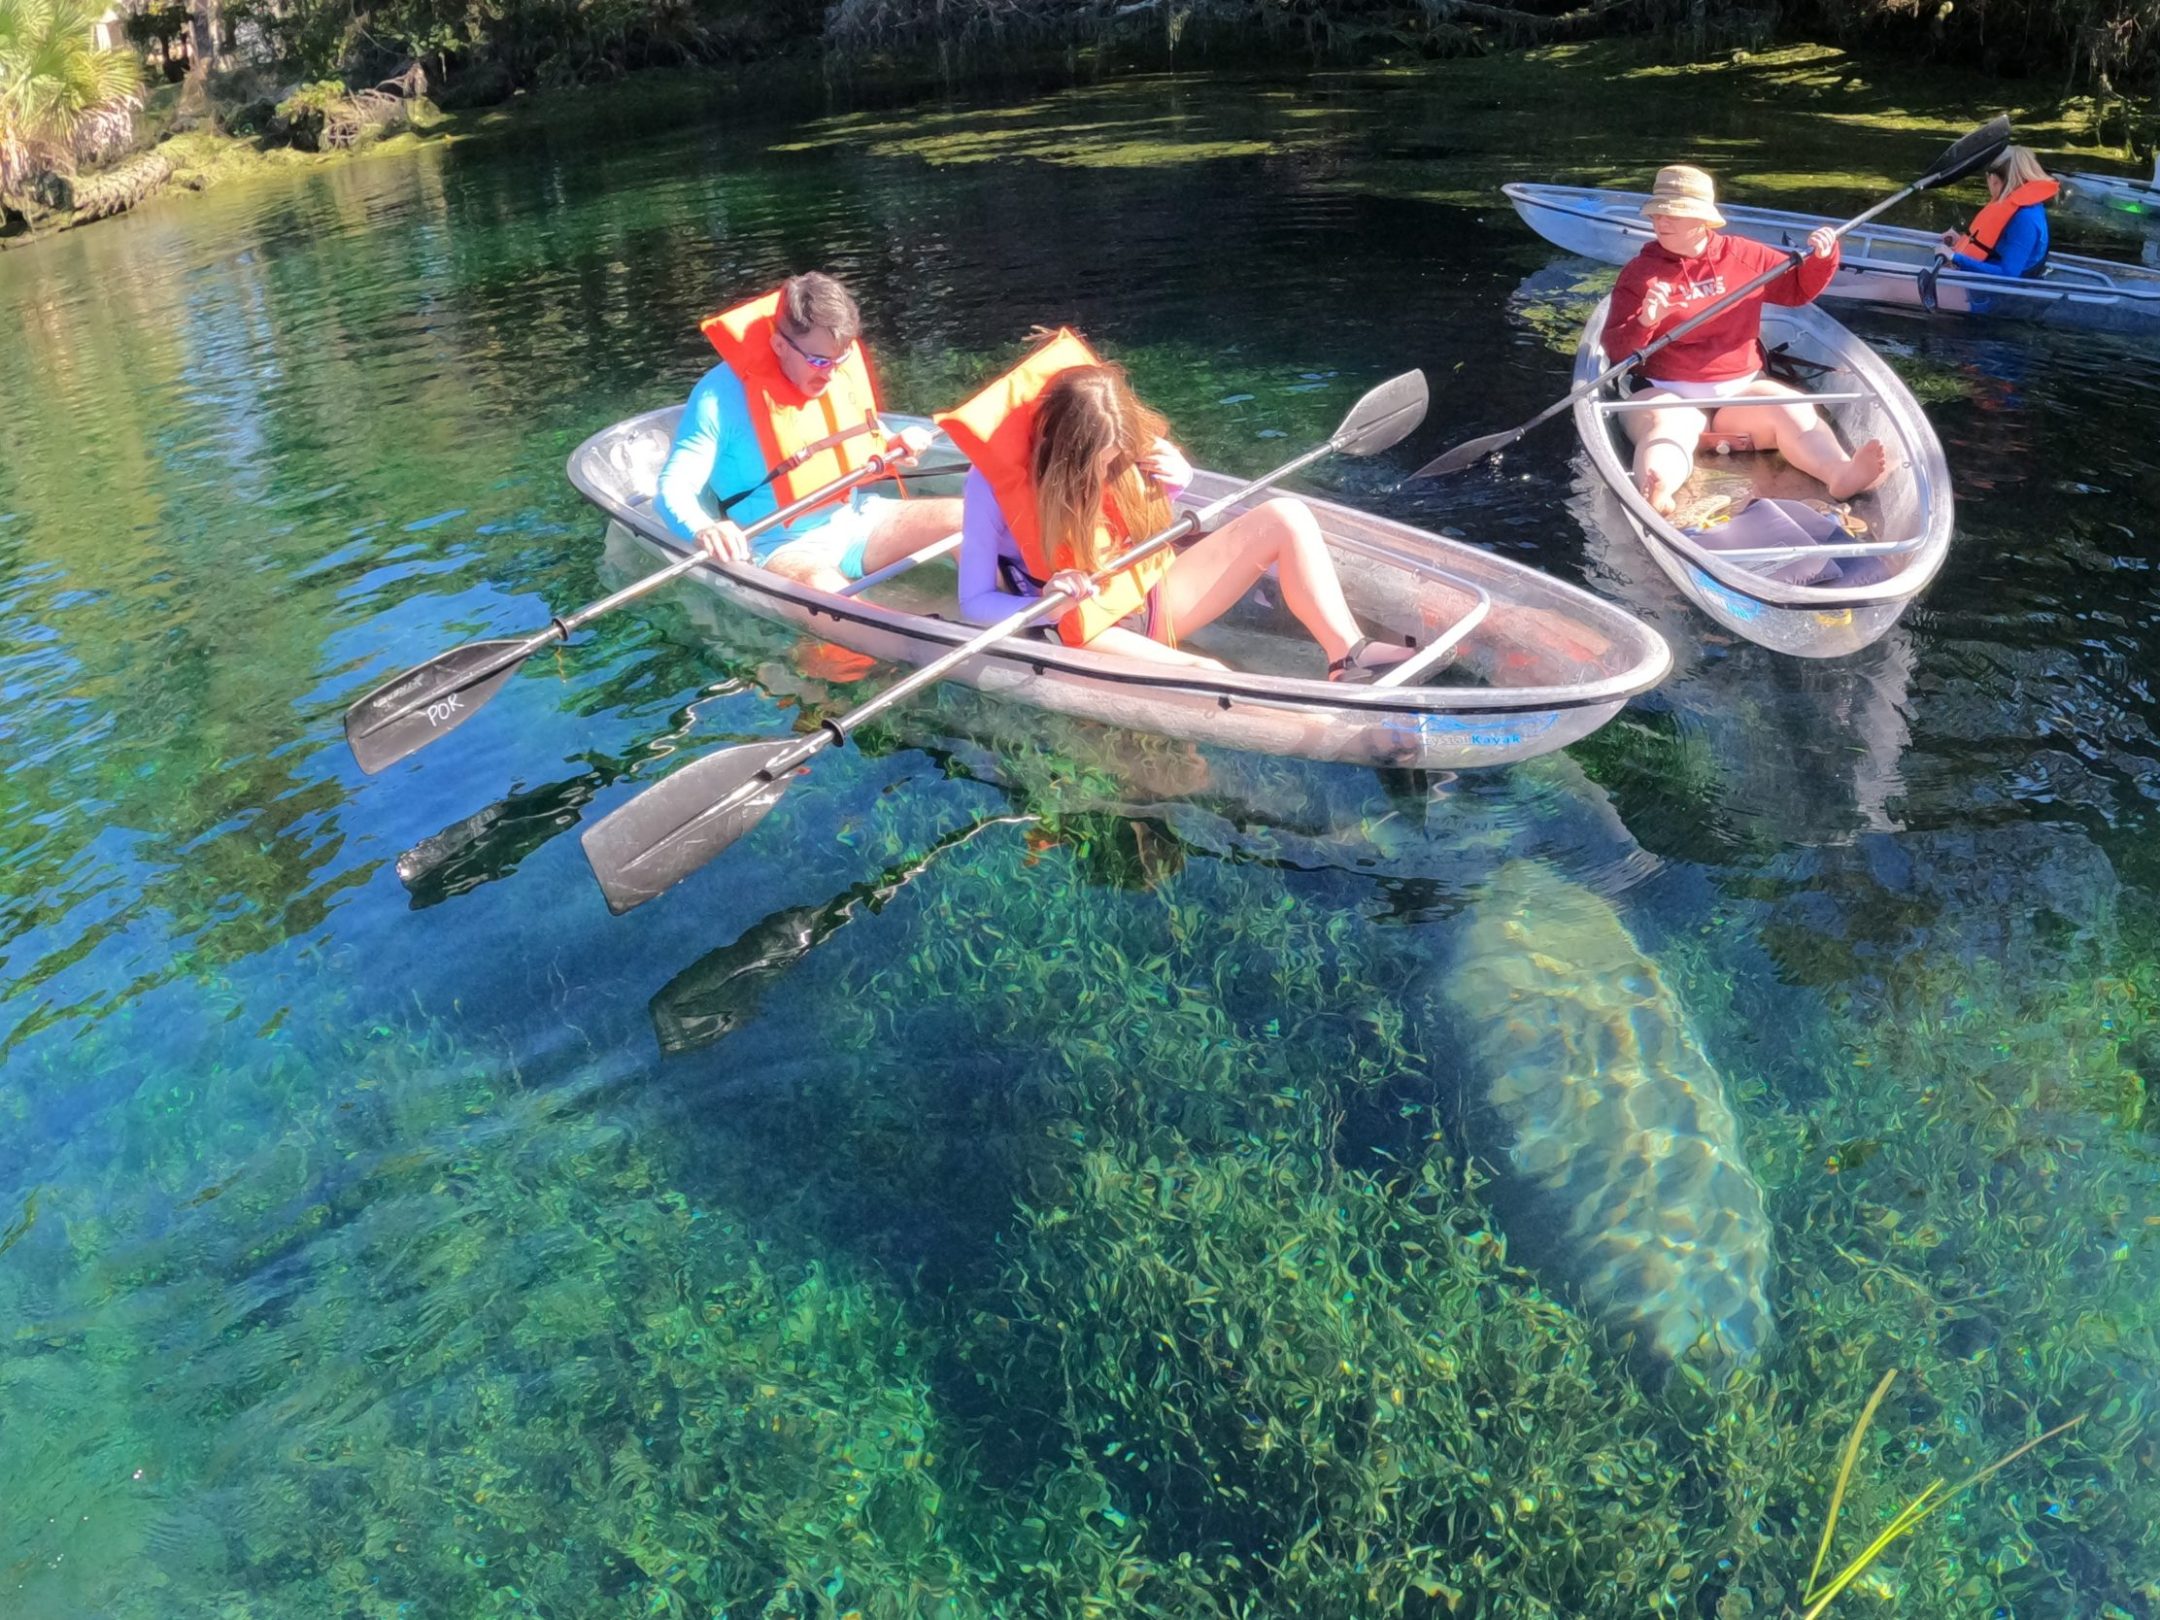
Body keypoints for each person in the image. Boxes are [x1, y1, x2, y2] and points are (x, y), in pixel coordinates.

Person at [937, 329, 1414, 681]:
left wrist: (1177, 483)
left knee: (1287, 517)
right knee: (1207, 671)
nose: (1110, 473)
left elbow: (1143, 526)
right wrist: (1045, 604)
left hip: (1151, 595)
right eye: (1098, 467)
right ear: (1062, 454)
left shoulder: (1128, 447)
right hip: (1083, 625)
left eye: (1117, 459)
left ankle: (1348, 653)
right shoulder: (989, 486)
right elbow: (974, 603)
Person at [1603, 164, 1895, 518]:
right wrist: (1647, 321)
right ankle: (1658, 488)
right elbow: (1616, 350)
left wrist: (1823, 258)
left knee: (1792, 408)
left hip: (1739, 394)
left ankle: (1840, 474)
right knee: (1668, 427)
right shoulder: (1639, 273)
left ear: (1702, 219)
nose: (1661, 221)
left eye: (1673, 213)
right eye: (1657, 213)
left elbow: (1797, 289)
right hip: (1665, 392)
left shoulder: (1744, 256)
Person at [654, 271, 961, 591]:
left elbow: (856, 431)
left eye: (840, 358)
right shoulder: (718, 398)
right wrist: (704, 529)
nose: (830, 374)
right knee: (825, 590)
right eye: (818, 361)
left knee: (964, 517)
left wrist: (892, 443)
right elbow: (672, 488)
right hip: (780, 543)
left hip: (857, 517)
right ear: (779, 345)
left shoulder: (833, 368)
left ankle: (1000, 615)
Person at [1939, 145, 2057, 279]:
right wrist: (1960, 241)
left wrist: (1954, 257)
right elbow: (2002, 245)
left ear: (1994, 180)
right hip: (1995, 271)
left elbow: (2008, 274)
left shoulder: (2025, 218)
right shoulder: (2024, 207)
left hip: (2001, 295)